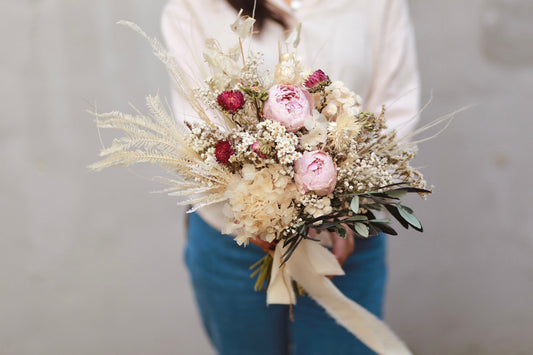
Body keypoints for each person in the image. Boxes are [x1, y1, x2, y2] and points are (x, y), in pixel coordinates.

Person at [161, 0, 420, 354]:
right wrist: (264, 210)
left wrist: (339, 211)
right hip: (235, 244)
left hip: (345, 242)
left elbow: (396, 109)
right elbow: (195, 124)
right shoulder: (193, 6)